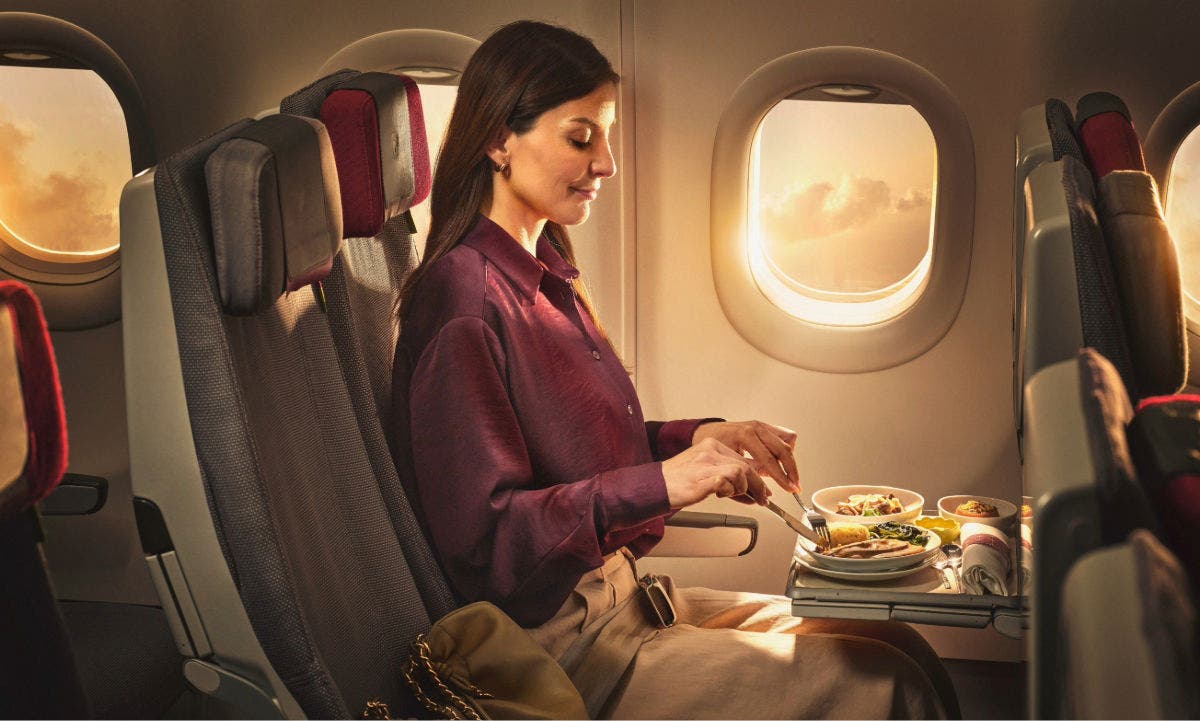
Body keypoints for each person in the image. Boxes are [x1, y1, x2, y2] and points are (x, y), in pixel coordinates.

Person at [389, 19, 958, 719]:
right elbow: (490, 546)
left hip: (630, 606)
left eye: (606, 137)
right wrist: (666, 482)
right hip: (562, 652)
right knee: (887, 685)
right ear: (499, 139)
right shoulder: (466, 298)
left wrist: (703, 437)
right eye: (581, 137)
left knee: (895, 640)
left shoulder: (545, 273)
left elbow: (574, 455)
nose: (607, 165)